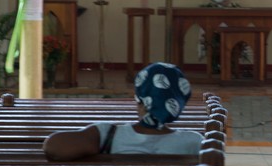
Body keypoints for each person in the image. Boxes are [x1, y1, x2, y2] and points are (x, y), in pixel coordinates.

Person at [42, 62, 203, 160]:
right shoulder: (194, 142)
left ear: (140, 102)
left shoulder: (109, 135)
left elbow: (53, 146)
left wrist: (95, 142)